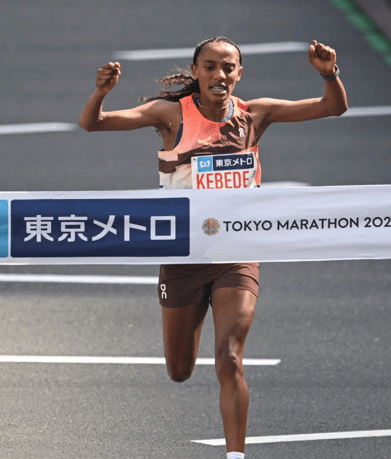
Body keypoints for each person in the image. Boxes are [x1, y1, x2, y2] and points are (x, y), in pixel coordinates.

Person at [79, 36, 347, 458]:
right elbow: (92, 124)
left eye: (228, 68)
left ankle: (235, 455)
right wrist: (100, 93)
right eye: (210, 67)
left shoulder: (256, 113)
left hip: (236, 253)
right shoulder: (171, 115)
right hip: (184, 255)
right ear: (197, 72)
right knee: (179, 371)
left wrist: (328, 73)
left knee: (229, 358)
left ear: (239, 74)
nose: (219, 75)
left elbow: (333, 107)